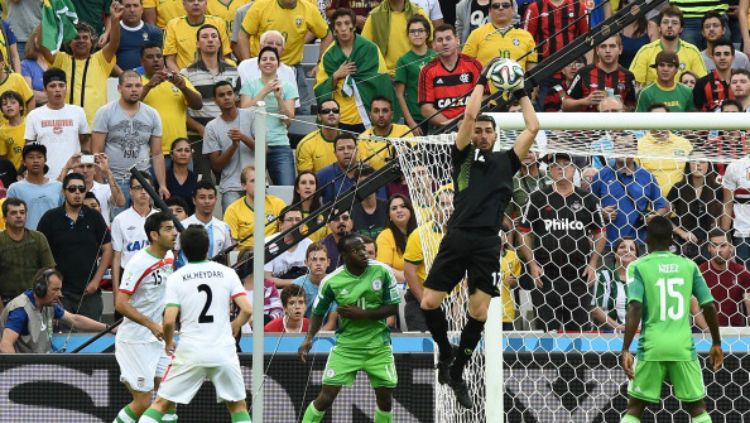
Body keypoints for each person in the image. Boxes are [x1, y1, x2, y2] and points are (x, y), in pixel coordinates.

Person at [419, 61, 537, 408]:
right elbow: (468, 117)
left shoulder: (507, 160)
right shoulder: (463, 159)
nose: (482, 134)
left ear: (496, 135)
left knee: (480, 313)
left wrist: (520, 91)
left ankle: (457, 371)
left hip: (487, 241)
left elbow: (533, 126)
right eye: (479, 130)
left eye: (488, 131)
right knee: (429, 302)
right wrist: (484, 81)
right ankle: (445, 349)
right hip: (457, 236)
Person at [136, 225, 253, 423]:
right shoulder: (227, 273)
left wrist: (168, 342)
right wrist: (235, 324)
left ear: (182, 251)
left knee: (161, 404)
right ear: (208, 248)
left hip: (190, 350)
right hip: (222, 350)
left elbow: (169, 319)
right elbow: (248, 310)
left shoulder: (176, 278)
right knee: (238, 406)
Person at [619, 216, 723, 423]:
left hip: (651, 347)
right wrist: (716, 342)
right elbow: (708, 305)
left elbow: (636, 306)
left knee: (635, 408)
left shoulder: (638, 267)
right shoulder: (689, 266)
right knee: (698, 409)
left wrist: (625, 348)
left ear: (646, 239)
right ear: (672, 239)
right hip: (682, 347)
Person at [298, 234, 400, 423]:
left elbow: (393, 307)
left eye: (364, 249)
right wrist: (309, 337)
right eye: (356, 250)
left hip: (378, 346)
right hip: (347, 347)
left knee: (385, 400)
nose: (363, 254)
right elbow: (318, 312)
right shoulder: (331, 281)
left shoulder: (382, 271)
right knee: (326, 397)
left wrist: (364, 314)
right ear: (344, 255)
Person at [519, 153, 606, 333]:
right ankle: (548, 362)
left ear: (574, 169)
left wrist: (593, 264)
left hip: (578, 275)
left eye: (566, 164)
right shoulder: (537, 197)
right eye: (556, 165)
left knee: (578, 334)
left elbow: (600, 232)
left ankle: (575, 362)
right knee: (548, 334)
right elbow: (524, 232)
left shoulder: (587, 199)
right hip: (546, 276)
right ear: (550, 170)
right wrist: (532, 265)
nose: (561, 168)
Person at [113, 212, 178, 423]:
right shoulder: (138, 263)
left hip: (158, 339)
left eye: (174, 228)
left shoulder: (169, 257)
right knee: (143, 402)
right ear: (154, 235)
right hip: (135, 340)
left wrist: (168, 335)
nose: (175, 233)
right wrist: (151, 325)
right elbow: (120, 303)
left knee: (169, 397)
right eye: (168, 229)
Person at [37, 173, 112, 321]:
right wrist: (52, 288)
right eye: (72, 189)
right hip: (60, 293)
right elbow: (40, 253)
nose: (77, 192)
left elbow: (108, 248)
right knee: (61, 338)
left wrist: (96, 281)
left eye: (81, 189)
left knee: (93, 338)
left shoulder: (94, 217)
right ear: (64, 191)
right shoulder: (50, 218)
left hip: (89, 292)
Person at [239, 0, 332, 114]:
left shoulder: (309, 9)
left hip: (293, 67)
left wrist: (319, 63)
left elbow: (327, 35)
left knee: (303, 112)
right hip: (264, 67)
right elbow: (243, 34)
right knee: (257, 109)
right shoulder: (260, 5)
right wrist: (250, 63)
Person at [92, 70, 168, 208]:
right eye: (128, 86)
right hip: (114, 180)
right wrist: (100, 185)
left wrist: (162, 185)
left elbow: (157, 154)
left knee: (144, 223)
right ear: (119, 88)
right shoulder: (105, 112)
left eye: (138, 86)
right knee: (115, 223)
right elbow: (97, 152)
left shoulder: (152, 114)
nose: (134, 90)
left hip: (143, 180)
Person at [39, 5, 124, 127]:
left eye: (85, 38)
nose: (81, 41)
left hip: (96, 124)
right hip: (67, 124)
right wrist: (45, 18)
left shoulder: (101, 59)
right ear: (69, 42)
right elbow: (44, 47)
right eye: (76, 38)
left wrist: (115, 21)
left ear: (92, 42)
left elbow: (114, 43)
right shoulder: (61, 59)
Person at [315, 8, 393, 134]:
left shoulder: (370, 49)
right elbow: (320, 87)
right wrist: (336, 76)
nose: (343, 28)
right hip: (341, 118)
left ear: (354, 26)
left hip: (367, 115)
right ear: (334, 30)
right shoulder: (328, 55)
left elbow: (381, 81)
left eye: (347, 23)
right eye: (339, 24)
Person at [0, 268, 107, 353]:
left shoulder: (49, 305)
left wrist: (108, 328)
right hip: (23, 373)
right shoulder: (20, 311)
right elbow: (5, 345)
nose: (60, 294)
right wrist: (17, 373)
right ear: (40, 289)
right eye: (55, 290)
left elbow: (75, 320)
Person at [239, 46, 298, 186]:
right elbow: (244, 111)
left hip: (279, 144)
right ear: (258, 64)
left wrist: (279, 98)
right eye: (264, 59)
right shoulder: (249, 85)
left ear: (278, 64)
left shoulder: (288, 86)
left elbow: (289, 121)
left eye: (272, 59)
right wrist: (265, 91)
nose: (268, 62)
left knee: (287, 188)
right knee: (252, 189)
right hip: (253, 144)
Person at [590, 156, 669, 253]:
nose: (622, 150)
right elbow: (588, 206)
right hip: (607, 245)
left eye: (627, 147)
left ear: (634, 151)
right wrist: (601, 213)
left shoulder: (647, 176)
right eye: (619, 146)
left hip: (639, 245)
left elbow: (662, 205)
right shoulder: (601, 175)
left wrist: (653, 217)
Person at [24, 68, 91, 179]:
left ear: (66, 88)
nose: (57, 89)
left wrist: (85, 169)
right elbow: (28, 147)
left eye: (61, 85)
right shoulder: (34, 115)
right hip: (45, 177)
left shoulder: (78, 112)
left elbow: (85, 143)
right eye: (52, 86)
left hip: (74, 178)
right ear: (45, 89)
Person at [139, 43, 203, 160]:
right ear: (142, 62)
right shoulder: (138, 83)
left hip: (180, 150)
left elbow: (198, 105)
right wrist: (148, 86)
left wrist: (184, 88)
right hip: (149, 153)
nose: (155, 60)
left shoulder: (179, 80)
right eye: (150, 57)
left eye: (159, 56)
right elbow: (128, 106)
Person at [403, 187, 453, 332]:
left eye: (451, 204)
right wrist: (425, 303)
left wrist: (457, 305)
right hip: (421, 299)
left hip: (454, 301)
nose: (448, 209)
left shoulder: (464, 234)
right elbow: (409, 272)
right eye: (443, 204)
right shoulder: (420, 235)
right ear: (434, 208)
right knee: (425, 351)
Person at [181, 24, 240, 144]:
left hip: (228, 135)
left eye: (214, 36)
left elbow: (238, 104)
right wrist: (199, 128)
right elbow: (181, 111)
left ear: (219, 43)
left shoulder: (233, 71)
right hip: (198, 137)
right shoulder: (186, 73)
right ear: (197, 44)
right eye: (205, 37)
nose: (210, 40)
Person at [418, 24, 483, 130]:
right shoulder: (427, 71)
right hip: (441, 128)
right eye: (439, 40)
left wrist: (467, 121)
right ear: (434, 45)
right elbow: (426, 109)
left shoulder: (474, 64)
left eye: (448, 38)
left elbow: (484, 98)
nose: (444, 43)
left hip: (472, 124)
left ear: (457, 41)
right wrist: (451, 124)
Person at [203, 81, 255, 211]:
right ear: (215, 101)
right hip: (230, 186)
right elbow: (216, 166)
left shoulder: (252, 115)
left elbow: (264, 150)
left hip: (256, 182)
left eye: (229, 93)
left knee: (261, 226)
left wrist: (242, 137)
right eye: (221, 95)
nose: (226, 97)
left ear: (235, 96)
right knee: (231, 229)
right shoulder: (211, 127)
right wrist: (233, 146)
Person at [629, 6, 707, 89]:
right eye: (665, 22)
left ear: (681, 29)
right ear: (659, 28)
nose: (669, 26)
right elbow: (634, 85)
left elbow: (702, 84)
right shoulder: (645, 51)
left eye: (674, 23)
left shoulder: (692, 52)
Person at [0, 198, 56, 310]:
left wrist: (52, 302)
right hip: (7, 302)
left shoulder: (38, 237)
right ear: (5, 218)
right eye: (13, 213)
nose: (19, 216)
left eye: (22, 212)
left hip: (37, 299)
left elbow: (49, 271)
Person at [111, 174, 157, 307]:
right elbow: (116, 257)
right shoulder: (120, 220)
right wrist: (116, 292)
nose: (143, 191)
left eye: (146, 187)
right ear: (130, 191)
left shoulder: (160, 218)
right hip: (129, 278)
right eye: (138, 188)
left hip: (155, 278)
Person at [668, 161, 724, 263]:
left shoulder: (716, 188)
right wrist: (682, 233)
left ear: (709, 165)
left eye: (702, 162)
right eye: (694, 162)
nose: (698, 165)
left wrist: (714, 237)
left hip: (707, 245)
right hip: (683, 243)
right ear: (688, 165)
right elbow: (663, 217)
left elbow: (719, 216)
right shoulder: (678, 188)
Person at [562, 35, 637, 112]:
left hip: (617, 123)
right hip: (590, 123)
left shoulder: (628, 76)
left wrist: (623, 108)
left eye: (612, 46)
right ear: (597, 50)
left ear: (620, 49)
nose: (608, 50)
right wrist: (584, 101)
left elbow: (634, 107)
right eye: (603, 46)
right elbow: (565, 105)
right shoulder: (583, 73)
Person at [224, 165, 287, 252]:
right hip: (246, 258)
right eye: (253, 181)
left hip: (274, 254)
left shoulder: (278, 204)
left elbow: (287, 233)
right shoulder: (232, 210)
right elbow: (231, 245)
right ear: (243, 185)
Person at [361, 0, 431, 76]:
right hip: (387, 77)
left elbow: (431, 42)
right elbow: (363, 49)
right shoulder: (374, 16)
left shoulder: (419, 12)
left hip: (416, 75)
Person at [636, 106, 694, 196]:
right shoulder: (639, 145)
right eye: (656, 118)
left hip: (681, 204)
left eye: (663, 117)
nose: (660, 121)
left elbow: (693, 173)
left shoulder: (684, 143)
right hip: (651, 206)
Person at [697, 229, 750, 328]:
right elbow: (693, 307)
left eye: (723, 245)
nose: (718, 250)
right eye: (714, 246)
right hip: (706, 331)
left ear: (731, 248)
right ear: (708, 248)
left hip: (735, 332)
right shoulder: (699, 273)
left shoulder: (742, 272)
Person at [463, 0, 537, 70]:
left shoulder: (527, 37)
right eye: (496, 6)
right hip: (484, 83)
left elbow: (532, 72)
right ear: (490, 11)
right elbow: (465, 66)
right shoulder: (476, 34)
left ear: (513, 10)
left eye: (506, 5)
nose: (501, 8)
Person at [395, 15, 437, 136]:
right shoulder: (403, 60)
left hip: (437, 114)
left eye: (420, 31)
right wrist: (410, 122)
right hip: (416, 118)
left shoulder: (436, 56)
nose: (416, 34)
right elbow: (399, 95)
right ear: (408, 35)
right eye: (412, 31)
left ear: (427, 33)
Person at [162, 0, 230, 72]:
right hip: (183, 78)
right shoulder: (173, 25)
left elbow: (225, 55)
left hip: (215, 77)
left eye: (200, 0)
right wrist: (183, 80)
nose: (196, 3)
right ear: (184, 4)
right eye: (191, 0)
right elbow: (169, 60)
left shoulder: (218, 23)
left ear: (206, 3)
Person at [7, 144, 62, 229]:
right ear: (24, 162)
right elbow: (10, 217)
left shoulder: (58, 186)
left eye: (39, 157)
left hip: (54, 238)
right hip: (26, 238)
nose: (35, 161)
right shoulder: (15, 189)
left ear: (45, 160)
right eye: (31, 157)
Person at [590, 237, 639, 332]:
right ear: (615, 253)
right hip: (606, 334)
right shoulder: (603, 276)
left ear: (636, 257)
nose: (626, 250)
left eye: (631, 249)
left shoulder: (641, 280)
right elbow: (594, 308)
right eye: (622, 247)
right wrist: (618, 327)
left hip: (637, 333)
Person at [236, 30, 297, 106]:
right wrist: (265, 90)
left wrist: (279, 98)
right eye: (270, 43)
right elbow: (241, 103)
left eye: (278, 44)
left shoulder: (289, 71)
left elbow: (292, 108)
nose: (274, 46)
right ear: (261, 46)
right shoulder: (245, 66)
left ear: (283, 50)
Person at [180, 180, 234, 261]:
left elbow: (227, 257)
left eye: (211, 197)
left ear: (216, 200)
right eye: (202, 197)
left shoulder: (224, 227)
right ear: (194, 200)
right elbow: (175, 255)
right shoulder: (182, 226)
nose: (207, 201)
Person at [264, 205, 313, 288]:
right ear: (280, 224)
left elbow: (314, 277)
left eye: (298, 220)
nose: (294, 223)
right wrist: (297, 282)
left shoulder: (310, 245)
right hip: (274, 292)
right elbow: (266, 280)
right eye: (290, 220)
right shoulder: (267, 243)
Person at [358, 96, 412, 170]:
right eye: (376, 111)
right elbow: (364, 169)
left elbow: (413, 157)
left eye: (385, 111)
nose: (381, 115)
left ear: (392, 115)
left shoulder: (404, 130)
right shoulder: (363, 138)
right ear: (370, 115)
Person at [71, 152, 126, 225]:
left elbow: (120, 202)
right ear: (74, 169)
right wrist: (67, 167)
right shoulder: (68, 190)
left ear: (95, 170)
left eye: (89, 166)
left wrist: (107, 172)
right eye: (81, 166)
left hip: (101, 234)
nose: (85, 170)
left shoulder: (105, 189)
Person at [293, 242, 337, 328]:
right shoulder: (297, 285)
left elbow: (331, 323)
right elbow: (294, 319)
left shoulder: (335, 285)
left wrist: (317, 339)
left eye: (322, 259)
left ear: (328, 262)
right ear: (306, 262)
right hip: (302, 333)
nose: (318, 263)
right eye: (314, 259)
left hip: (329, 334)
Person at [376, 194, 417, 284]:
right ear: (389, 215)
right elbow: (384, 269)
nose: (399, 210)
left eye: (403, 206)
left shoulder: (420, 232)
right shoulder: (385, 236)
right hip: (399, 286)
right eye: (394, 208)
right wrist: (409, 277)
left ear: (410, 210)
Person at [116, 0, 163, 73]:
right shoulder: (112, 32)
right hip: (116, 80)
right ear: (120, 9)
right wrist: (124, 76)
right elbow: (107, 60)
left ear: (142, 9)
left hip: (148, 79)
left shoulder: (154, 32)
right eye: (127, 6)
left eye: (135, 5)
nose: (132, 10)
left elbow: (159, 61)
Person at [295, 99, 341, 174]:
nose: (331, 113)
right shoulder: (306, 144)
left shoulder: (351, 141)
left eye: (335, 110)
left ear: (340, 115)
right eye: (326, 111)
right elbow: (307, 181)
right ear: (319, 116)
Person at [721, 153, 750, 266]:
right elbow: (727, 205)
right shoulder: (735, 167)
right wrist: (724, 238)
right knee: (745, 277)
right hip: (743, 233)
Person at [316, 134, 360, 205]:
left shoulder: (368, 172)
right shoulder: (323, 175)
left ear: (357, 150)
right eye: (341, 149)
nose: (346, 152)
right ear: (335, 153)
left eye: (350, 148)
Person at [693, 40, 736, 111]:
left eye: (726, 54)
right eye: (718, 54)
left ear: (733, 58)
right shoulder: (701, 83)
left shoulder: (743, 82)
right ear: (712, 58)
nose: (722, 58)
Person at [351, 165, 388, 239]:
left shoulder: (388, 207)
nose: (367, 185)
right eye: (362, 182)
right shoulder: (350, 211)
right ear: (355, 185)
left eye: (370, 181)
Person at [166, 138, 198, 214]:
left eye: (187, 151)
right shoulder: (162, 179)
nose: (183, 153)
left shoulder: (196, 179)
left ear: (191, 155)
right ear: (171, 154)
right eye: (179, 150)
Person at [0, 51, 34, 120]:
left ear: (2, 64)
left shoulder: (16, 78)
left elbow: (31, 100)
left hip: (20, 127)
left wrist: (28, 121)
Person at [20, 27, 48, 105]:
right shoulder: (25, 65)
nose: (37, 40)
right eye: (37, 37)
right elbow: (28, 94)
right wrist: (53, 96)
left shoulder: (58, 61)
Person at [0, 91, 27, 169]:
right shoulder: (2, 131)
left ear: (21, 107)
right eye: (4, 104)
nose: (9, 105)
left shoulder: (31, 123)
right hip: (15, 175)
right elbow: (3, 158)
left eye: (13, 102)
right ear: (2, 110)